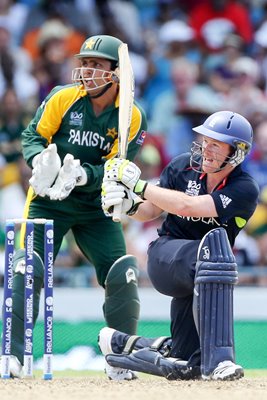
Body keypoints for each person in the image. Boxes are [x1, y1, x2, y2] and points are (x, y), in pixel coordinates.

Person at [3, 34, 147, 379]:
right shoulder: (63, 97)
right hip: (49, 202)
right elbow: (32, 136)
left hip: (96, 204)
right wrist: (41, 163)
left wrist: (83, 174)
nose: (85, 70)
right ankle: (16, 358)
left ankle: (121, 359)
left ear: (116, 72)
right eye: (83, 63)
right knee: (27, 269)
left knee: (122, 272)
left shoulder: (131, 116)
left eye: (95, 65)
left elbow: (119, 168)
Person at [99, 110, 259, 381]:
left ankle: (119, 344)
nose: (206, 148)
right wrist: (126, 204)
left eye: (216, 144)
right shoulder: (182, 166)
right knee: (215, 254)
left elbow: (189, 205)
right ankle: (221, 360)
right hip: (166, 256)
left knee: (187, 364)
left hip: (201, 277)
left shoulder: (244, 188)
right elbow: (150, 210)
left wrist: (137, 185)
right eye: (206, 140)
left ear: (237, 152)